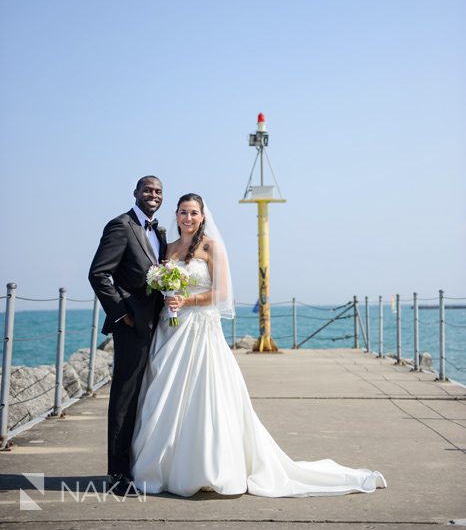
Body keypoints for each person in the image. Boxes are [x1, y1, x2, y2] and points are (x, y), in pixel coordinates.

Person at [130, 193, 387, 497]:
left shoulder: (211, 247)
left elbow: (221, 293)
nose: (188, 218)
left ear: (202, 216)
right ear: (176, 215)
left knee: (206, 394)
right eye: (183, 212)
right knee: (166, 393)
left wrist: (187, 299)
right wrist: (169, 297)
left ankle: (208, 467)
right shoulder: (169, 248)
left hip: (201, 329)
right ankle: (163, 466)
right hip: (171, 329)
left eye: (194, 213)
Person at [89, 175, 167, 496]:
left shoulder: (160, 231)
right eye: (148, 189)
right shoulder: (120, 225)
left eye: (158, 191)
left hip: (160, 326)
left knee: (148, 395)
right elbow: (98, 273)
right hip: (131, 327)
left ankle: (140, 464)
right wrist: (122, 313)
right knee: (124, 398)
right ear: (135, 193)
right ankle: (117, 474)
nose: (153, 194)